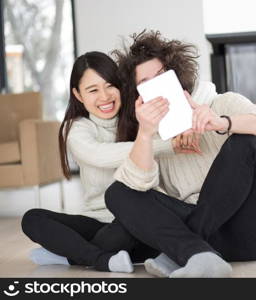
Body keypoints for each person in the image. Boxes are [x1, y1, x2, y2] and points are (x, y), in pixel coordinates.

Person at [105, 30, 256, 278]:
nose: (157, 85)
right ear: (138, 95)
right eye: (146, 82)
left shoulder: (221, 104)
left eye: (161, 75)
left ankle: (180, 255)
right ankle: (198, 255)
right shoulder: (152, 138)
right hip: (209, 241)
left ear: (176, 76)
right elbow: (138, 187)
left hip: (253, 231)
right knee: (118, 192)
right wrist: (145, 134)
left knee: (244, 142)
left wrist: (222, 123)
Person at [20, 51, 204, 273]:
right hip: (96, 220)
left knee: (125, 230)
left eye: (110, 86)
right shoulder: (77, 129)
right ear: (78, 95)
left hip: (134, 220)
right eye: (93, 90)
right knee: (32, 219)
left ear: (120, 86)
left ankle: (74, 256)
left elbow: (202, 92)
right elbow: (100, 154)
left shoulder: (141, 116)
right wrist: (170, 145)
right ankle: (102, 258)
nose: (104, 96)